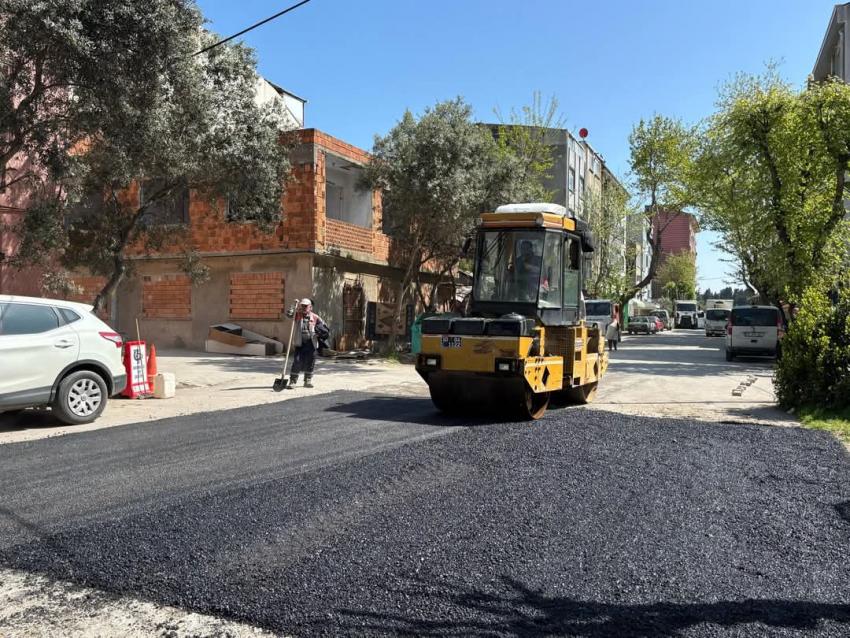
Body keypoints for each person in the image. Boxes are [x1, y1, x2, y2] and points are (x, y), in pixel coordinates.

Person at [285, 298, 328, 389]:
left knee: (310, 361)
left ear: (310, 307)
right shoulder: (297, 316)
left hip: (311, 343)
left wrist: (319, 333)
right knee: (297, 361)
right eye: (302, 306)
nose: (304, 308)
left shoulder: (315, 317)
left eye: (306, 306)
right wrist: (294, 305)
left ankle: (307, 380)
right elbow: (289, 314)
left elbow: (324, 328)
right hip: (300, 343)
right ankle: (293, 381)